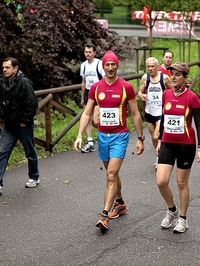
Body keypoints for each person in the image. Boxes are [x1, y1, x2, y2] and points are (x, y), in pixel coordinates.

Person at [73, 51, 145, 231]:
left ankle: (104, 216)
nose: (110, 68)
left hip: (120, 135)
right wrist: (79, 135)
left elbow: (135, 113)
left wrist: (141, 138)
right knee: (111, 172)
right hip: (102, 137)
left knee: (111, 175)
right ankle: (119, 203)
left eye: (113, 64)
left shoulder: (126, 87)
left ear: (117, 66)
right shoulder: (96, 87)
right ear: (103, 67)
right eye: (107, 65)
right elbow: (87, 113)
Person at [155, 62, 200, 234]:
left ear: (185, 77)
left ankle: (183, 218)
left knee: (181, 183)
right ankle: (172, 210)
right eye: (172, 74)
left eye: (177, 75)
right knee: (161, 181)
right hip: (168, 143)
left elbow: (198, 124)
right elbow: (164, 117)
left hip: (186, 144)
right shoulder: (166, 94)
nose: (173, 78)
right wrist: (160, 139)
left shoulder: (192, 97)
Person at [0, 57, 40, 194]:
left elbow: (32, 104)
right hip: (8, 125)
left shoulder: (24, 82)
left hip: (23, 124)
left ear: (15, 68)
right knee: (3, 152)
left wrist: (25, 121)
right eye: (3, 67)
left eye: (7, 67)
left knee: (29, 151)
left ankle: (34, 176)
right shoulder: (2, 83)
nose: (4, 70)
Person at [138, 57, 171, 168]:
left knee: (157, 136)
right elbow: (140, 91)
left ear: (157, 67)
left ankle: (160, 158)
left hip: (160, 112)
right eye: (149, 66)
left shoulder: (164, 78)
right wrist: (141, 95)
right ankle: (159, 154)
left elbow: (172, 90)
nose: (151, 68)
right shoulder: (145, 78)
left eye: (153, 66)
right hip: (149, 111)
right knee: (153, 137)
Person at [80, 43, 105, 153]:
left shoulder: (99, 63)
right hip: (88, 92)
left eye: (90, 52)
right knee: (87, 117)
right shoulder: (83, 65)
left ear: (94, 52)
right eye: (86, 52)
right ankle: (90, 142)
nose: (88, 54)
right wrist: (82, 97)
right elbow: (83, 82)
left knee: (96, 119)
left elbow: (104, 79)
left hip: (98, 92)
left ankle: (104, 137)